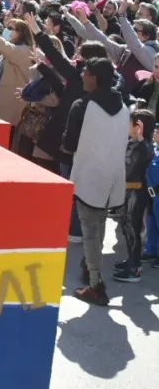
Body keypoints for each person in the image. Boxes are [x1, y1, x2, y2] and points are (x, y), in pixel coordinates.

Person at [64, 56, 130, 307]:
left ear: (95, 77)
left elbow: (69, 144)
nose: (82, 75)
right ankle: (90, 265)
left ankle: (95, 285)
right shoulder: (124, 107)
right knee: (99, 225)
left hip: (89, 174)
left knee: (91, 231)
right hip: (113, 175)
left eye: (86, 72)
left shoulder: (82, 105)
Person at [112, 108, 155, 284]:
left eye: (130, 122)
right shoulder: (138, 144)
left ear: (138, 126)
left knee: (132, 228)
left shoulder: (142, 146)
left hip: (136, 192)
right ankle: (131, 259)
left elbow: (129, 168)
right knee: (126, 227)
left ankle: (134, 267)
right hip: (129, 192)